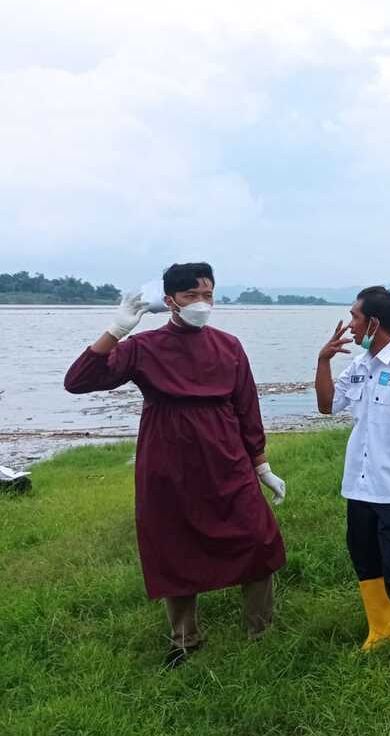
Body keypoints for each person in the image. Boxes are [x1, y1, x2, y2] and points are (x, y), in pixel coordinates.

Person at [63, 262, 286, 668]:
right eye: (191, 296)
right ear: (170, 301)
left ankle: (262, 629)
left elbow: (247, 408)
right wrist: (115, 331)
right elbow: (78, 381)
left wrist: (261, 465)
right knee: (173, 544)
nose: (202, 303)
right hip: (168, 459)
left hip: (225, 456)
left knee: (258, 537)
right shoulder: (143, 347)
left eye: (208, 295)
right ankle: (185, 640)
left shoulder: (229, 346)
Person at [315, 286, 390, 692]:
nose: (350, 324)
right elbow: (328, 406)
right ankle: (380, 630)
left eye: (354, 316)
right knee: (365, 559)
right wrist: (323, 361)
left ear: (374, 323)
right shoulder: (363, 364)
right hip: (358, 485)